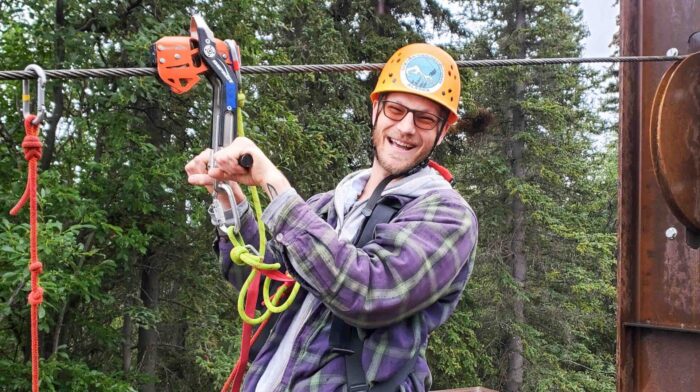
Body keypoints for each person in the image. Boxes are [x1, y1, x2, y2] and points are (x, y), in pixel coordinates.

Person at [185, 43, 478, 392]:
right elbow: (268, 292)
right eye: (396, 110)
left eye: (425, 119)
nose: (405, 128)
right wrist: (231, 203)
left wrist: (273, 183)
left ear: (443, 131)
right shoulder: (328, 205)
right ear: (376, 110)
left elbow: (369, 292)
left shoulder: (448, 216)